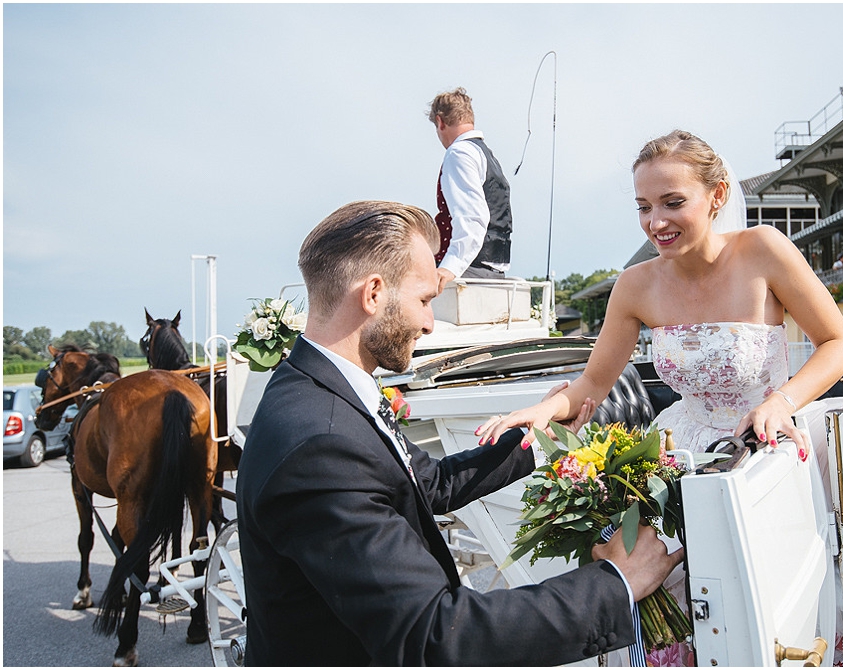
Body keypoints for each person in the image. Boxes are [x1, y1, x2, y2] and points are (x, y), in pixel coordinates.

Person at [235, 200, 683, 666]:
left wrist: (537, 440)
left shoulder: (318, 388)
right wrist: (615, 581)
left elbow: (429, 483)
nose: (429, 322)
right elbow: (435, 633)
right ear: (373, 294)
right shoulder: (319, 444)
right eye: (425, 300)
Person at [478, 128, 843, 467]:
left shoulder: (764, 249)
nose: (655, 223)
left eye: (673, 203)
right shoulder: (633, 286)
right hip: (680, 451)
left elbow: (839, 343)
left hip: (769, 443)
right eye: (644, 207)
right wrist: (544, 409)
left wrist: (782, 402)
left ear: (718, 195)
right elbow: (594, 383)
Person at [428, 87, 513, 294]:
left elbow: (472, 216)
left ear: (440, 122)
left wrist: (450, 266)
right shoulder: (486, 155)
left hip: (470, 269)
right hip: (494, 267)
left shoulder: (459, 153)